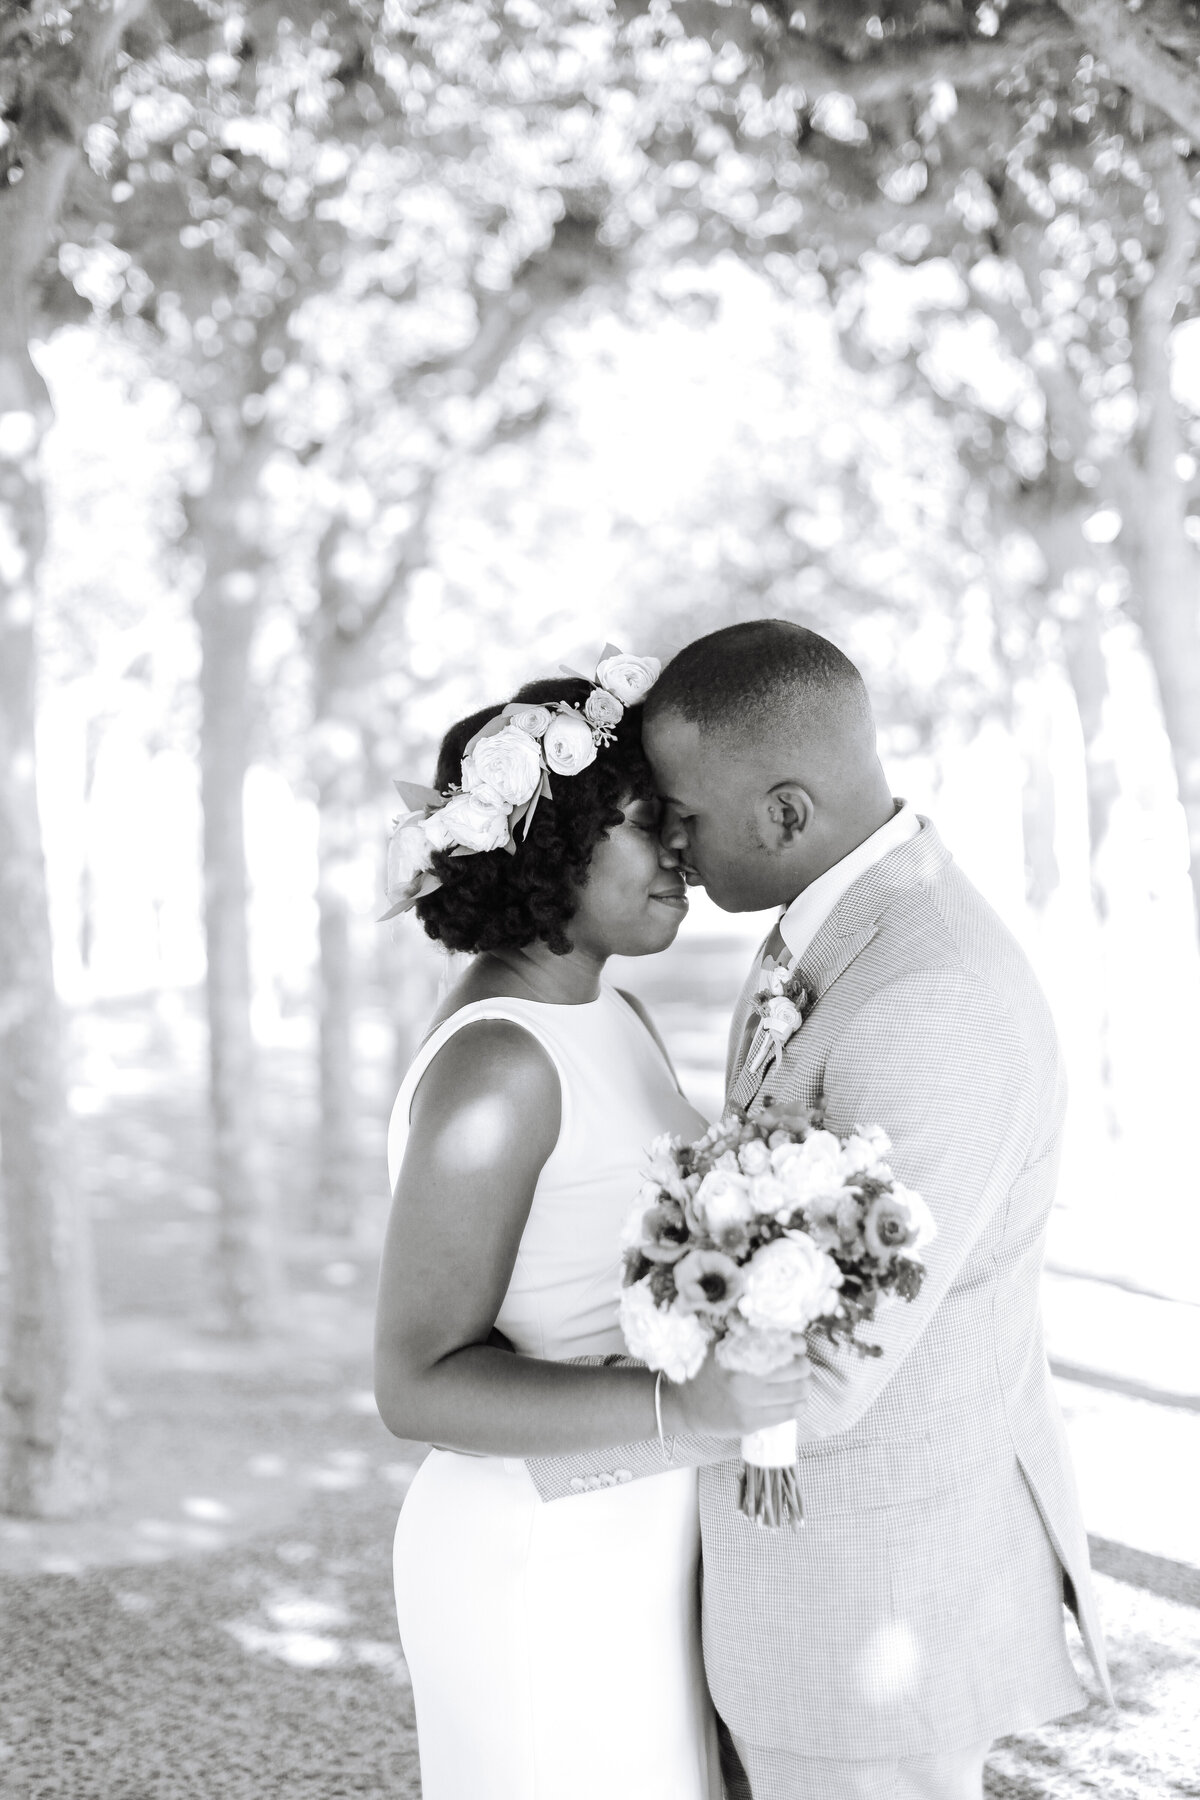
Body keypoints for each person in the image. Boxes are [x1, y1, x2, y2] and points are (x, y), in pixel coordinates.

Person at [528, 620, 1112, 1800]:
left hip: (871, 1606)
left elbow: (828, 1373)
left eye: (683, 817)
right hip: (817, 1596)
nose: (675, 852)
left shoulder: (927, 991)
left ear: (786, 814)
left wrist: (529, 1415)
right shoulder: (837, 919)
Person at [374, 662, 811, 1800]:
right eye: (645, 827)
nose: (681, 854)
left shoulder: (609, 1012)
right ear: (548, 848)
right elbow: (414, 1384)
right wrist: (686, 1409)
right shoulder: (500, 1066)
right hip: (533, 1557)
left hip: (636, 1534)